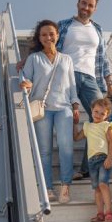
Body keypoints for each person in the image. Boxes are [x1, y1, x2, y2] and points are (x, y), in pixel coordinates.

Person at [57, 0, 112, 180]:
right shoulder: (64, 25)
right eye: (84, 3)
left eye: (90, 5)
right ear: (78, 4)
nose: (86, 7)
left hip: (91, 78)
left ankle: (87, 168)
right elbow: (50, 50)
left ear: (95, 9)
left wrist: (109, 83)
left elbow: (103, 58)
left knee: (100, 119)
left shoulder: (97, 29)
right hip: (67, 75)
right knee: (66, 120)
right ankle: (67, 170)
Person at [20, 20, 81, 204]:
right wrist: (27, 84)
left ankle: (65, 187)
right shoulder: (34, 59)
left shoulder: (67, 59)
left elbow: (71, 85)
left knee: (66, 149)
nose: (48, 37)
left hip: (64, 109)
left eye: (51, 33)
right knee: (45, 151)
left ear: (57, 35)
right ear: (39, 38)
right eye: (44, 34)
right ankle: (47, 188)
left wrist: (75, 105)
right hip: (42, 109)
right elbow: (27, 79)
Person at [73, 98, 112, 222]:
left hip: (104, 159)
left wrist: (110, 157)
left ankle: (109, 212)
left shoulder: (107, 125)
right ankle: (100, 213)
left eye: (102, 113)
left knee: (103, 184)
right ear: (92, 110)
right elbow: (76, 138)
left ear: (107, 115)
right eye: (96, 111)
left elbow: (111, 142)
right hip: (91, 162)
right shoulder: (87, 126)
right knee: (97, 188)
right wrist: (74, 123)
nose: (98, 115)